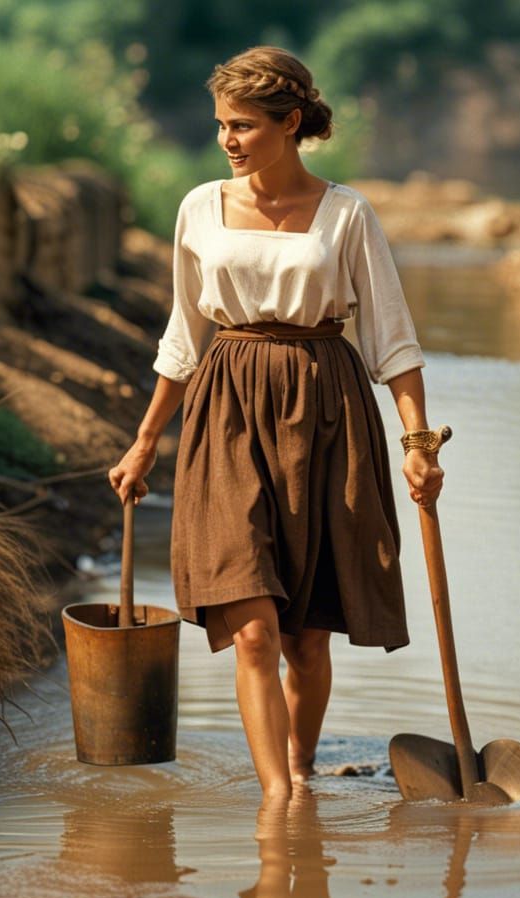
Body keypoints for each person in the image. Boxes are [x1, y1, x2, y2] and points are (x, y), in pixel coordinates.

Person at [109, 45, 444, 806]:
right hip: (227, 410)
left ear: (291, 123)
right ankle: (279, 803)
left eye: (244, 125)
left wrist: (418, 444)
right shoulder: (200, 207)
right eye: (221, 124)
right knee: (253, 629)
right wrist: (145, 440)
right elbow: (184, 336)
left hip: (326, 411)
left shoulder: (347, 214)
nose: (227, 140)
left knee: (306, 638)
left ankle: (300, 763)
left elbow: (393, 340)